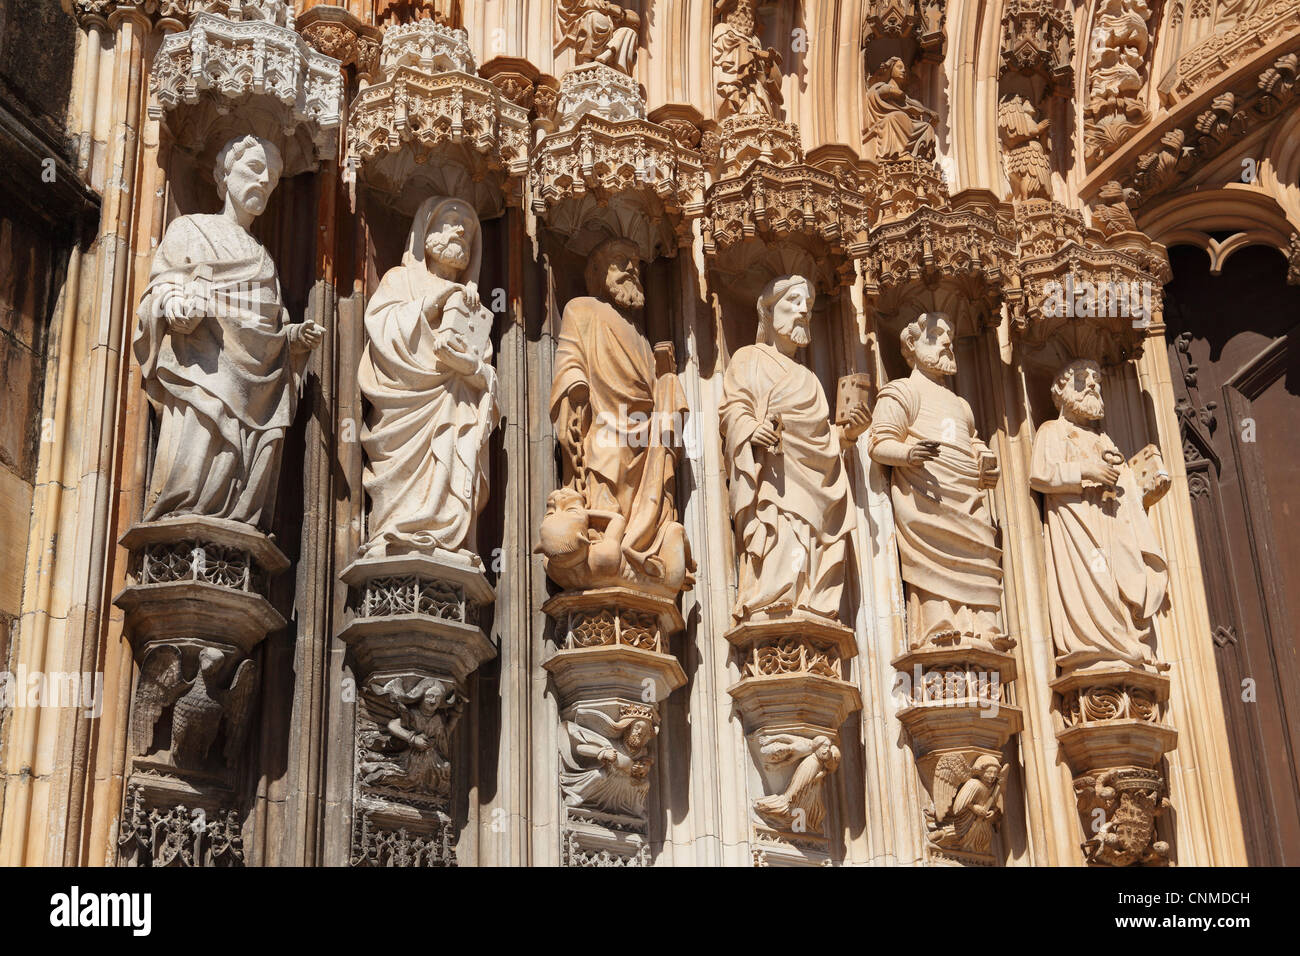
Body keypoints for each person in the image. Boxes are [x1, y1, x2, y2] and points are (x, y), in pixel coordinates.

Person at [134, 134, 321, 531]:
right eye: (254, 169)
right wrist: (173, 306)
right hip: (202, 371)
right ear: (225, 173)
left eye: (270, 180)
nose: (263, 182)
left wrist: (293, 340)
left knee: (241, 464)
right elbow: (161, 287)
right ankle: (182, 518)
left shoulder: (263, 259)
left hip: (253, 386)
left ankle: (233, 524)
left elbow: (269, 331)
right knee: (195, 455)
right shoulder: (190, 229)